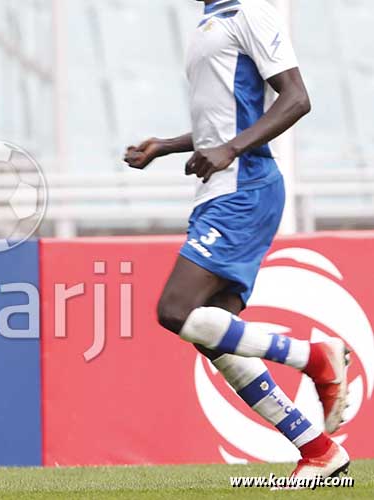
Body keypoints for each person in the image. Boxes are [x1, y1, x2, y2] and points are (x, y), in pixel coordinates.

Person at [124, 0, 350, 480]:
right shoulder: (209, 22)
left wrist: (231, 149)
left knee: (175, 310)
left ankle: (315, 357)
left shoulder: (251, 12)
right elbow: (225, 121)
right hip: (218, 192)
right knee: (216, 340)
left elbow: (296, 98)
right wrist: (167, 145)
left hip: (244, 190)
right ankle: (318, 450)